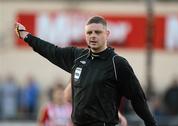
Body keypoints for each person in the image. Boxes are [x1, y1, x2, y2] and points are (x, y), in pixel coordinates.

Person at [15, 16, 157, 126]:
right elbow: (51, 50)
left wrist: (151, 123)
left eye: (97, 32)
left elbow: (138, 98)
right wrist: (26, 36)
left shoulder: (117, 63)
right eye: (89, 32)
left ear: (107, 34)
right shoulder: (77, 56)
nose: (93, 36)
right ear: (85, 35)